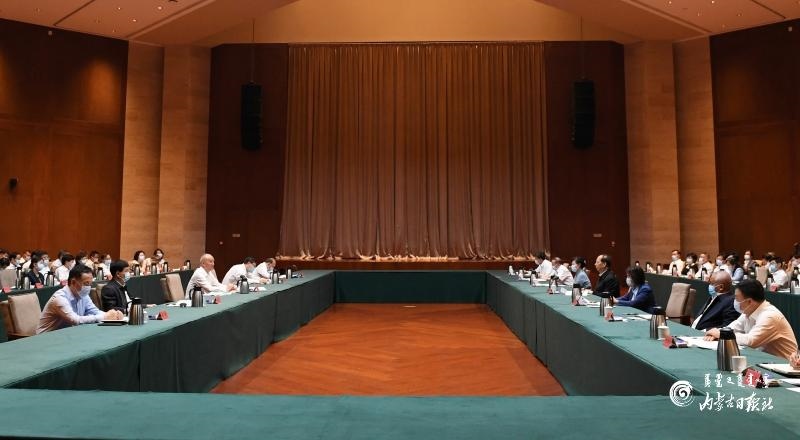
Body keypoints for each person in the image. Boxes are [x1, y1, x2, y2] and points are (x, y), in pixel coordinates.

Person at [704, 279, 798, 361]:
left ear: (749, 301)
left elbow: (751, 341)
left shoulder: (770, 316)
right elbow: (731, 329)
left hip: (783, 366)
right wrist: (717, 334)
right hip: (764, 361)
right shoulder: (748, 311)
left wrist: (721, 334)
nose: (734, 301)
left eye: (736, 298)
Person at [37, 264, 122, 333]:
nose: (89, 287)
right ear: (73, 282)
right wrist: (105, 316)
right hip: (45, 338)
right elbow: (75, 320)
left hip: (66, 334)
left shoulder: (83, 295)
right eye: (86, 283)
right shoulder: (59, 298)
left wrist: (113, 315)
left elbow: (95, 311)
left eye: (90, 284)